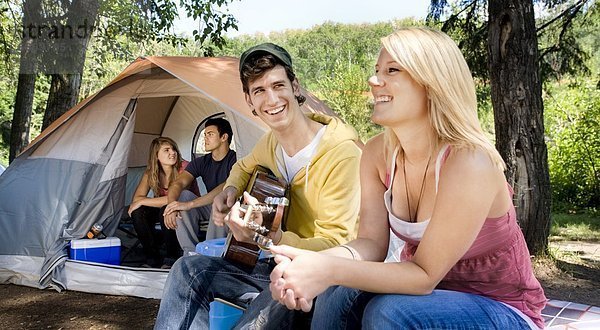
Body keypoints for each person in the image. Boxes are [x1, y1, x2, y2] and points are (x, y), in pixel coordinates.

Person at [269, 27, 547, 329]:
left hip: (501, 309)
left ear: (432, 83)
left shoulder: (469, 161)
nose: (374, 81)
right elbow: (371, 245)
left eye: (392, 70)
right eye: (376, 70)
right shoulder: (377, 154)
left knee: (389, 311)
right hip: (428, 298)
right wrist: (311, 262)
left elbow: (424, 276)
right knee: (340, 290)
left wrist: (328, 269)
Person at [154, 43, 362, 329]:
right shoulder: (271, 143)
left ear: (295, 86)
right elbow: (241, 167)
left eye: (278, 85)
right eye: (259, 91)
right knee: (187, 270)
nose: (272, 99)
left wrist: (268, 238)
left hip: (319, 277)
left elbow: (336, 245)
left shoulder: (342, 153)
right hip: (276, 264)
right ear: (249, 102)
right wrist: (230, 192)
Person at [163, 117, 236, 256]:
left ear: (224, 137)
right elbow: (178, 183)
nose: (205, 138)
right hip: (207, 206)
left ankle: (211, 254)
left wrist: (190, 204)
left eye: (210, 134)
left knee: (220, 201)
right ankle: (191, 253)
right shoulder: (201, 161)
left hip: (229, 207)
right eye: (204, 135)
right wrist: (172, 206)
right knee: (182, 196)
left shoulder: (236, 160)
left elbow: (225, 187)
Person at [128, 137, 200, 268]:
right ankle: (152, 257)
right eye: (166, 150)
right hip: (165, 207)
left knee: (166, 209)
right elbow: (137, 199)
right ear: (156, 156)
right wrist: (141, 202)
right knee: (138, 212)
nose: (172, 152)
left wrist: (144, 200)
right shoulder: (151, 173)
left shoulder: (184, 168)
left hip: (187, 208)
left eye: (173, 149)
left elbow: (177, 198)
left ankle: (171, 257)